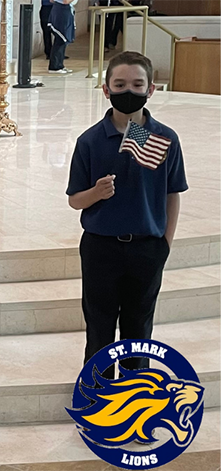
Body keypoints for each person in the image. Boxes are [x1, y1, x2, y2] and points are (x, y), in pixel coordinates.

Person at [66, 52, 187, 379]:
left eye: (137, 84)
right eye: (120, 84)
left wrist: (165, 242)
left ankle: (135, 400)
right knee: (100, 328)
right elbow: (75, 201)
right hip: (100, 248)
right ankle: (98, 401)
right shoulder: (90, 141)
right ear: (106, 89)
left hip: (147, 248)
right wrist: (96, 193)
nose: (128, 90)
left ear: (151, 90)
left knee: (138, 331)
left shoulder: (165, 139)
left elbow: (172, 193)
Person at [48, 0, 75, 74]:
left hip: (65, 10)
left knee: (63, 41)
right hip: (61, 12)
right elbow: (65, 1)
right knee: (60, 40)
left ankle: (60, 65)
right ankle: (54, 67)